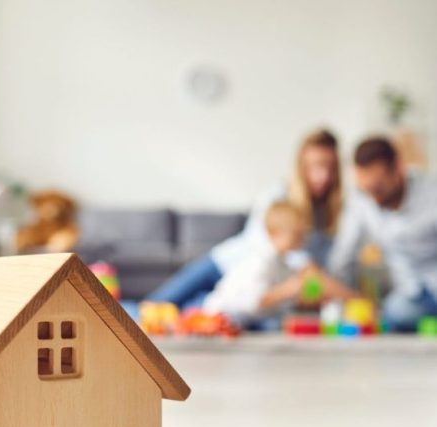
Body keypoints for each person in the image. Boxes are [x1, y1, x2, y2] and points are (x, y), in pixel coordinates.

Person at [146, 128, 342, 308]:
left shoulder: (327, 215)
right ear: (301, 166)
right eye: (316, 166)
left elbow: (319, 267)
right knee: (153, 307)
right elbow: (273, 245)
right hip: (224, 265)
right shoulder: (277, 195)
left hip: (245, 291)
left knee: (188, 316)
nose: (323, 176)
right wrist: (310, 270)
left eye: (330, 168)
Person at [329, 137, 437, 331]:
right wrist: (339, 302)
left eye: (378, 188)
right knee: (395, 312)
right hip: (409, 294)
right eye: (367, 190)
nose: (373, 197)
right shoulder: (361, 202)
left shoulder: (431, 193)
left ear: (398, 169)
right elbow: (343, 257)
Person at [203, 201, 356, 328]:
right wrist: (287, 290)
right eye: (296, 234)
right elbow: (255, 302)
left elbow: (297, 290)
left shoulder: (283, 262)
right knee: (274, 325)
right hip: (223, 314)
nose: (302, 239)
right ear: (275, 233)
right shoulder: (261, 261)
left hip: (248, 319)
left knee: (281, 321)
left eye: (302, 234)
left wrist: (307, 296)